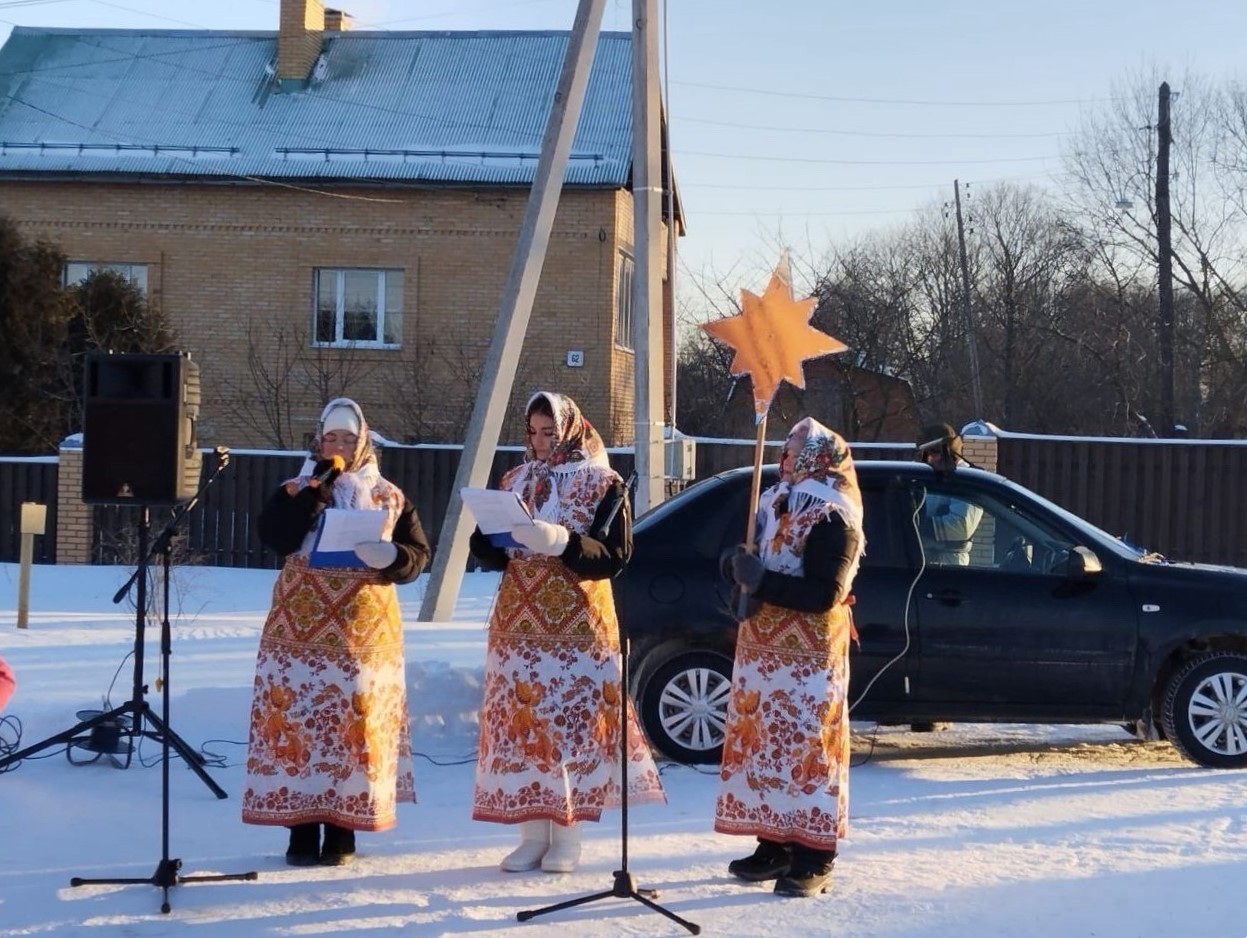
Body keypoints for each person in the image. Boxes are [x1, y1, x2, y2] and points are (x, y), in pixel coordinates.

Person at [468, 391, 665, 874]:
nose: (539, 442)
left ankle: (568, 836)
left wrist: (562, 541)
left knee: (568, 729)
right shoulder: (516, 478)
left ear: (571, 430)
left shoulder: (604, 482)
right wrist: (489, 534)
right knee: (524, 728)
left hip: (577, 627)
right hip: (518, 626)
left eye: (549, 432)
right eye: (533, 432)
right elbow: (490, 551)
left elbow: (615, 555)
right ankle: (532, 833)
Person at [241, 398, 431, 867]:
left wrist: (392, 558)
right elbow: (275, 538)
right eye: (332, 438)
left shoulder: (389, 495)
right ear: (318, 441)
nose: (340, 447)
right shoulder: (295, 487)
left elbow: (417, 555)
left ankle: (343, 833)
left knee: (351, 727)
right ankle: (300, 831)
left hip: (362, 635)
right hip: (299, 634)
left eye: (349, 439)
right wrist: (313, 494)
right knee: (300, 724)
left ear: (363, 441)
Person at [717, 417, 865, 899]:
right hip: (763, 652)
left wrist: (764, 581)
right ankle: (773, 842)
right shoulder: (775, 499)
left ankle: (815, 856)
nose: (784, 453)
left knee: (807, 752)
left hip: (809, 659)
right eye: (784, 445)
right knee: (764, 744)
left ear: (819, 455)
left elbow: (826, 592)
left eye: (795, 446)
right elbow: (758, 558)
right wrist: (736, 567)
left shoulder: (833, 514)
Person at [914, 422, 982, 566]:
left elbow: (961, 526)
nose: (926, 458)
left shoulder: (967, 480)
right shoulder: (932, 476)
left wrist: (915, 525)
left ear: (947, 450)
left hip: (950, 565)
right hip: (924, 561)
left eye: (932, 452)